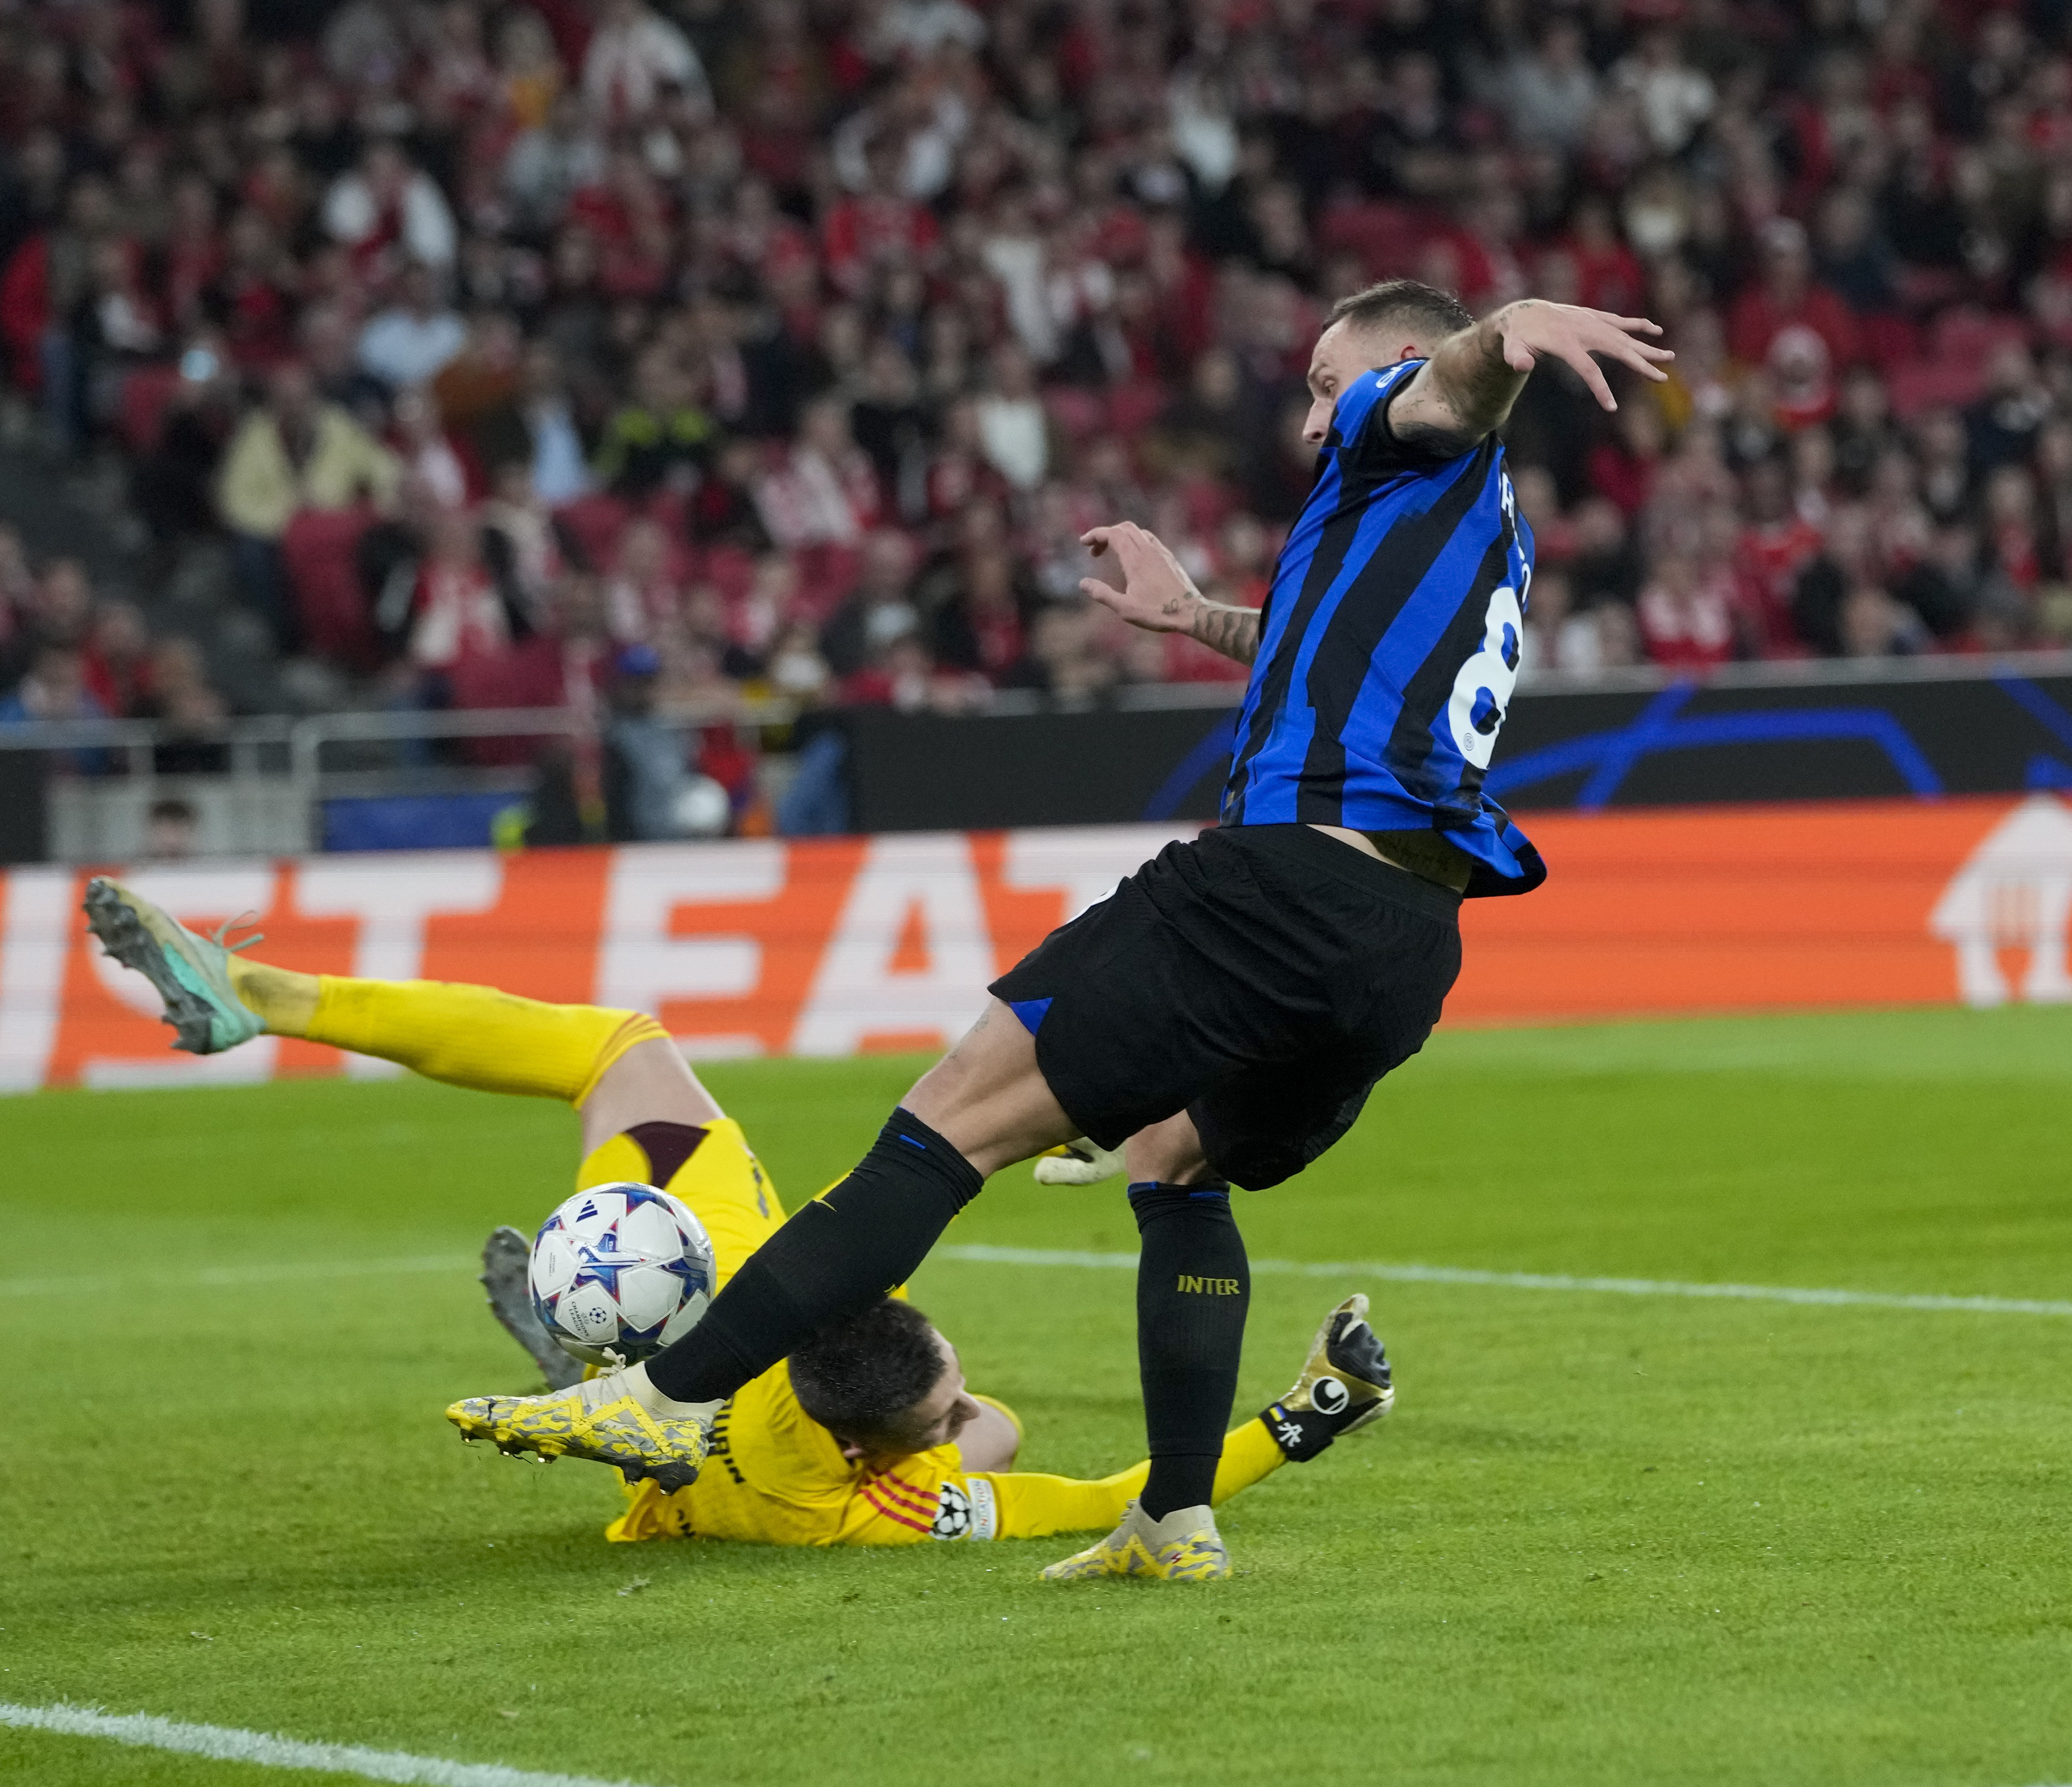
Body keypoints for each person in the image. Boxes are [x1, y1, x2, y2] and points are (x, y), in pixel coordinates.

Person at [444, 281, 1672, 1583]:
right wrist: (1194, 615)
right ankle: (1173, 1516)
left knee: (947, 1121)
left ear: (1393, 366)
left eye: (1325, 384)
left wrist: (1512, 329)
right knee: (1171, 1161)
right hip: (1407, 943)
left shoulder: (1407, 426)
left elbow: (1455, 385)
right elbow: (1318, 649)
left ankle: (667, 1394)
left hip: (1283, 884)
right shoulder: (1472, 533)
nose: (1315, 419)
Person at [81, 878, 1394, 1550]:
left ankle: (267, 994)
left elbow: (1003, 1439)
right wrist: (1300, 1421)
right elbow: (1089, 1481)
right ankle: (608, 1372)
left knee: (618, 1048)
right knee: (1007, 1431)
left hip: (719, 1284)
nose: (963, 1414)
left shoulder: (796, 1329)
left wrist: (963, 1418)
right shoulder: (887, 1509)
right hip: (719, 1471)